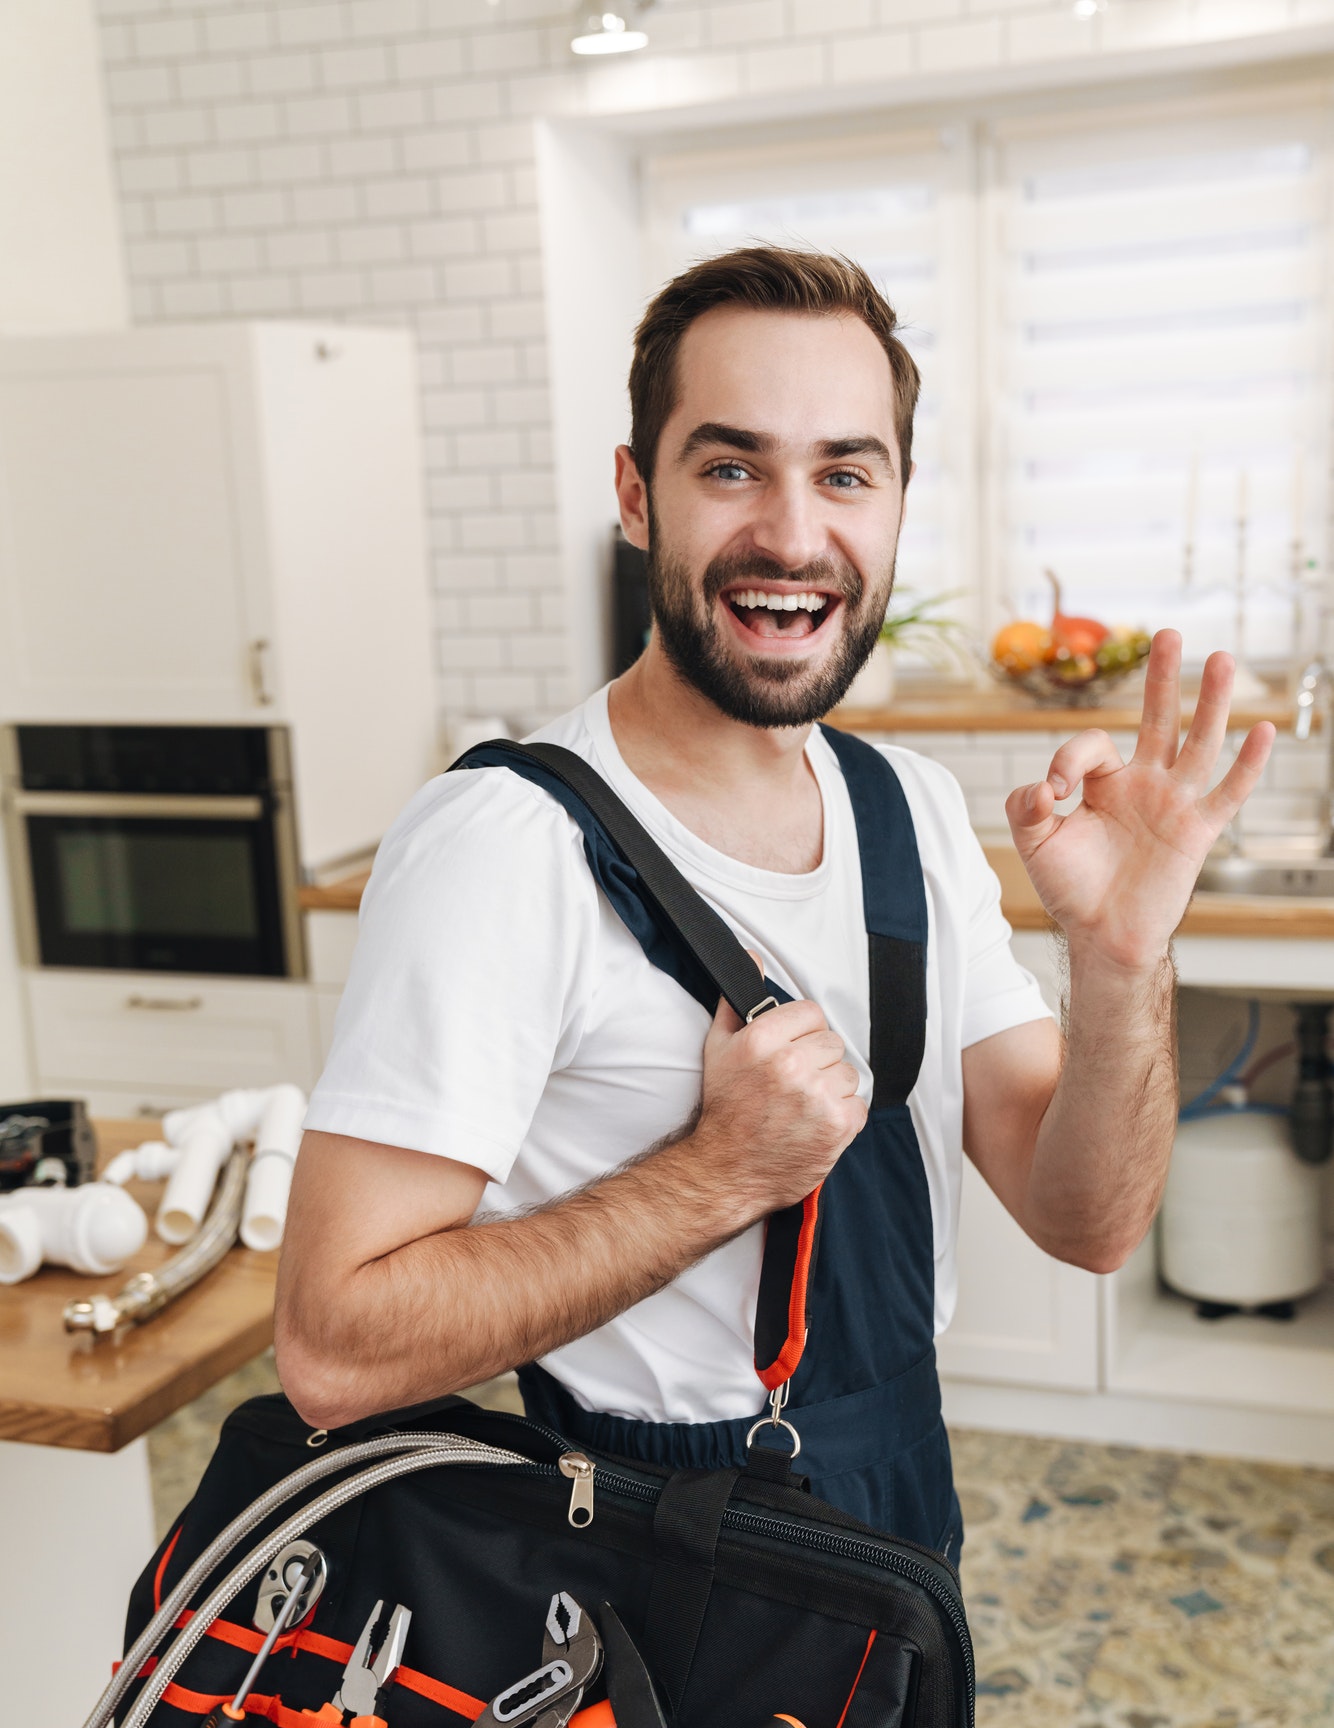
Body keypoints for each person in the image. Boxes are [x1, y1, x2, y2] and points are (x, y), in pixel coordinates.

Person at [275, 247, 1272, 1562]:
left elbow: (1084, 1220)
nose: (793, 536)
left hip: (897, 1506)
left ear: (898, 501)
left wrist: (1122, 962)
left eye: (845, 473)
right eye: (730, 466)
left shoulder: (901, 807)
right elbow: (333, 1353)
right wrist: (717, 1172)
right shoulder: (501, 844)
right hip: (647, 1553)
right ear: (637, 495)